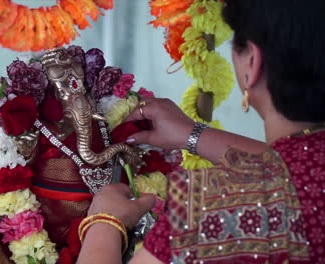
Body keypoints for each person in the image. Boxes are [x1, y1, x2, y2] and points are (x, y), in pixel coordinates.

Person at [76, 0, 325, 263]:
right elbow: (298, 167)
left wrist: (105, 222)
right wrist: (193, 135)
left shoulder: (219, 202)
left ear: (252, 63)